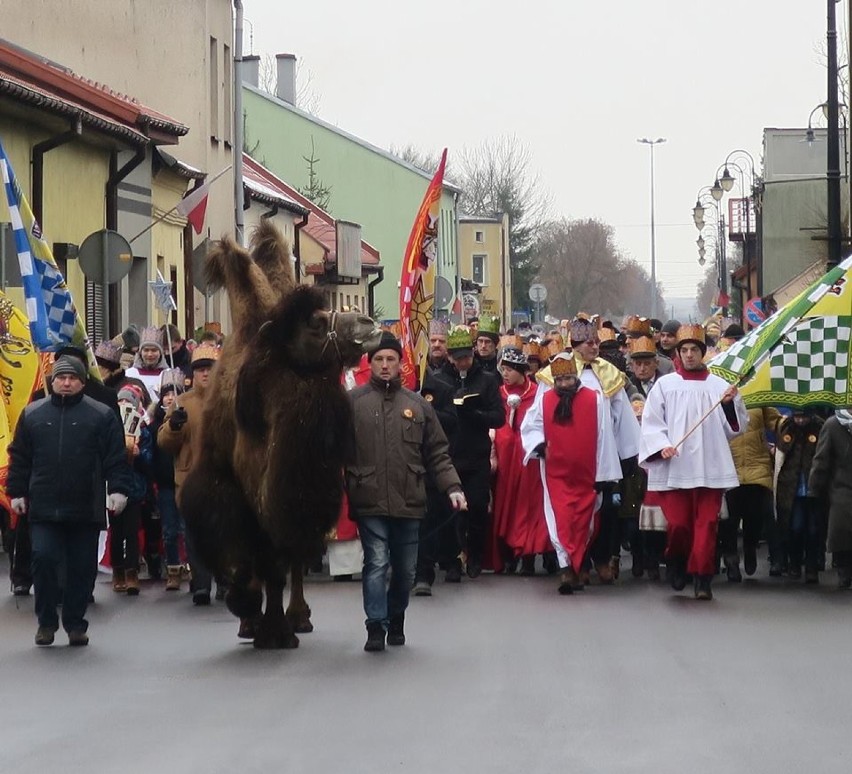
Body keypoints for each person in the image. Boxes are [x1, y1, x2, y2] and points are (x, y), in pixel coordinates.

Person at [347, 332, 464, 652]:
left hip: (410, 498)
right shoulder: (353, 403)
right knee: (377, 561)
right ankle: (375, 625)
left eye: (391, 360)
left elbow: (438, 452)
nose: (385, 366)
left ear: (401, 364)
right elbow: (334, 450)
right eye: (379, 360)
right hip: (368, 496)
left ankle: (396, 615)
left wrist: (453, 487)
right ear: (369, 364)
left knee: (405, 569)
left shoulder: (416, 405)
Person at [7, 355, 131, 646]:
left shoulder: (101, 415)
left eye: (72, 378)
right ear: (53, 381)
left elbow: (115, 458)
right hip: (43, 505)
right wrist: (17, 491)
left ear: (82, 383)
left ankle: (75, 623)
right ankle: (46, 622)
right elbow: (20, 458)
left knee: (81, 568)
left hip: (85, 506)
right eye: (61, 377)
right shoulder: (33, 414)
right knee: (44, 560)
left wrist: (118, 489)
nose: (65, 382)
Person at [638, 324, 748, 600]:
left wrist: (727, 404)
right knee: (679, 525)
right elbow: (651, 422)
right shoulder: (665, 385)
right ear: (678, 353)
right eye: (684, 350)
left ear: (702, 353)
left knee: (707, 525)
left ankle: (702, 578)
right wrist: (662, 445)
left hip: (709, 467)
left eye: (694, 350)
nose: (689, 355)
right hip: (676, 467)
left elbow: (736, 427)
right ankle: (676, 560)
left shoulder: (721, 387)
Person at [521, 353, 604, 594]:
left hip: (587, 473)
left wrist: (605, 474)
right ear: (554, 380)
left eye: (569, 378)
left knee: (583, 522)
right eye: (560, 380)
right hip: (555, 472)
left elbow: (603, 437)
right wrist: (538, 445)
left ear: (575, 377)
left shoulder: (594, 399)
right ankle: (566, 568)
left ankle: (578, 566)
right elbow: (532, 425)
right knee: (559, 519)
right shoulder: (545, 400)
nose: (565, 384)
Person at [433, 325, 505, 580]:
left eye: (468, 356)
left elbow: (499, 417)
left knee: (476, 508)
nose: (464, 362)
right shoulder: (439, 379)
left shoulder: (486, 380)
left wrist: (475, 414)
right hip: (448, 455)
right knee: (449, 511)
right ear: (450, 357)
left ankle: (475, 556)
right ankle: (452, 560)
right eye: (458, 357)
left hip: (476, 455)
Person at [157, 343, 221, 605]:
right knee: (194, 534)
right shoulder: (182, 403)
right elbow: (164, 442)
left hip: (222, 479)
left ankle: (225, 580)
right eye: (201, 370)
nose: (205, 374)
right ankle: (201, 584)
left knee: (222, 534)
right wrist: (173, 426)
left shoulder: (227, 399)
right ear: (193, 374)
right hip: (190, 479)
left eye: (209, 369)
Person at [490, 338, 551, 575]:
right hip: (506, 458)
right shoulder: (498, 393)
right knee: (506, 503)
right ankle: (507, 553)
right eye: (502, 369)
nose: (505, 374)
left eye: (509, 370)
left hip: (528, 460)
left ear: (520, 371)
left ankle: (528, 552)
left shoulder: (535, 394)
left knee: (528, 505)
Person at [720, 406, 781, 581]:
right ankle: (731, 560)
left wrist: (786, 423)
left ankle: (750, 547)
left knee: (755, 517)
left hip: (757, 467)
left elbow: (773, 421)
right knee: (729, 521)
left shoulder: (758, 397)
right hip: (730, 467)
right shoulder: (719, 397)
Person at [110, 385, 152, 595]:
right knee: (116, 533)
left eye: (129, 402)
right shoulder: (109, 427)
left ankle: (132, 571)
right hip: (115, 487)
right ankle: (117, 571)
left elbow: (149, 461)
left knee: (132, 532)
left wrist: (139, 454)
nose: (124, 405)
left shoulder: (142, 430)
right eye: (121, 402)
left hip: (135, 488)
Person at [775, 411, 824, 583]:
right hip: (792, 488)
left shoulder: (819, 428)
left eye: (804, 417)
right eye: (798, 417)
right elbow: (781, 457)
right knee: (795, 527)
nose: (801, 420)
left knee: (813, 530)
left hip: (814, 488)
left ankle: (811, 567)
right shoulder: (786, 428)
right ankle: (794, 562)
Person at [147, 370, 186, 591]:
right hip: (165, 484)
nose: (170, 397)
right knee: (170, 529)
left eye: (175, 393)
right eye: (167, 394)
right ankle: (173, 568)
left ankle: (191, 565)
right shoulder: (154, 424)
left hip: (185, 480)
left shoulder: (187, 417)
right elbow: (151, 453)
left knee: (187, 527)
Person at [808, 409, 852, 589]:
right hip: (841, 486)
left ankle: (844, 569)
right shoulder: (833, 425)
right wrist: (815, 486)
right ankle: (844, 570)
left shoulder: (832, 424)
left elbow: (821, 459)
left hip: (841, 486)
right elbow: (821, 459)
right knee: (842, 531)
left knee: (842, 530)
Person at [126, 325, 169, 403]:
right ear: (140, 352)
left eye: (154, 350)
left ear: (161, 352)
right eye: (146, 350)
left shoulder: (169, 374)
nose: (149, 354)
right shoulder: (129, 374)